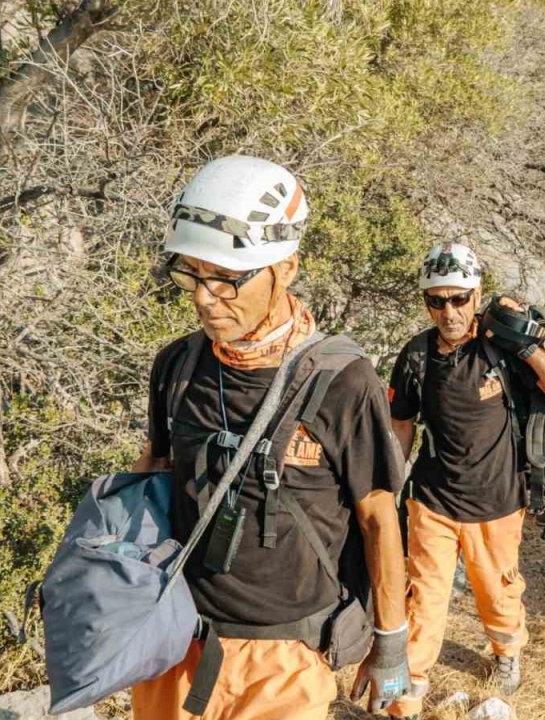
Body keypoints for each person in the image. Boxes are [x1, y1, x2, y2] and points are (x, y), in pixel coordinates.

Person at [129, 155, 409, 720]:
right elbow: (150, 475)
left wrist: (392, 642)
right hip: (175, 640)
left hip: (286, 659)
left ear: (285, 267)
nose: (204, 297)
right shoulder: (177, 366)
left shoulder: (342, 381)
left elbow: (378, 516)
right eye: (191, 274)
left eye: (226, 279)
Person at [385, 243, 545, 719]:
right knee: (423, 599)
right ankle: (407, 694)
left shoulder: (502, 348)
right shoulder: (416, 355)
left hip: (498, 500)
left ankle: (507, 650)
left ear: (476, 296)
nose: (448, 311)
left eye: (458, 299)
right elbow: (401, 423)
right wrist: (388, 487)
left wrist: (525, 345)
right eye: (437, 301)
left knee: (497, 591)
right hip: (431, 499)